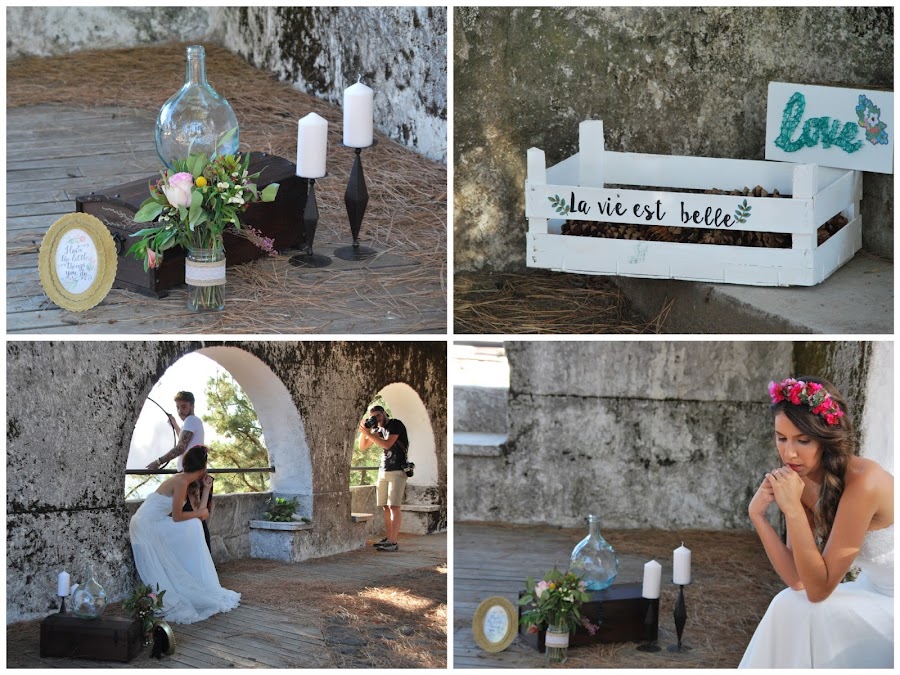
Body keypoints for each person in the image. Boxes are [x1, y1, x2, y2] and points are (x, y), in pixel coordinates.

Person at [739, 376, 893, 668]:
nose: (789, 453)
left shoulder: (865, 482)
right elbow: (798, 580)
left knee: (807, 611)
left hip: (891, 603)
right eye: (781, 438)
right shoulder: (802, 477)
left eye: (803, 440)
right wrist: (758, 517)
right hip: (870, 590)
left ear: (826, 439)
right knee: (786, 603)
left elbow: (819, 590)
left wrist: (793, 511)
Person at [129, 445, 240, 624]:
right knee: (193, 524)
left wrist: (206, 489)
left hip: (157, 522)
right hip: (145, 525)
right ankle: (193, 577)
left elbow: (200, 513)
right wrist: (199, 514)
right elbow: (177, 516)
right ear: (203, 467)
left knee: (195, 524)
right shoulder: (180, 481)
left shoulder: (187, 481)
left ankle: (199, 578)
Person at [146, 391, 211, 550]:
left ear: (192, 405)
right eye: (178, 407)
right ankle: (202, 555)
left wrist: (158, 462)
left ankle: (200, 555)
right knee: (195, 519)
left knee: (192, 518)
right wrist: (175, 424)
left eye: (184, 406)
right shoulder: (193, 422)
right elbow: (184, 440)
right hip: (193, 475)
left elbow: (181, 447)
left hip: (190, 476)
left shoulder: (191, 420)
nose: (180, 411)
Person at [358, 405, 409, 552]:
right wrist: (365, 431)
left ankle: (393, 541)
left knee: (394, 506)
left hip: (397, 470)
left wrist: (369, 434)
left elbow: (387, 444)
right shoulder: (378, 430)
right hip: (383, 471)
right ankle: (388, 538)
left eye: (378, 415)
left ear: (385, 413)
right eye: (373, 417)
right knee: (385, 506)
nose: (377, 419)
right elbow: (362, 447)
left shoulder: (395, 424)